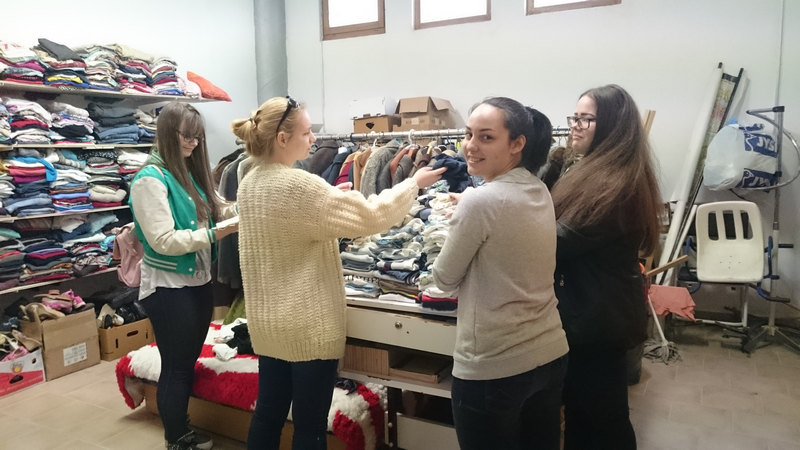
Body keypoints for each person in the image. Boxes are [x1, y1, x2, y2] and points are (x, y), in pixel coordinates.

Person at [232, 96, 445, 450]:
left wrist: (329, 196)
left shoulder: (249, 183)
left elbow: (290, 227)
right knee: (310, 427)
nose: (314, 138)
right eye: (306, 132)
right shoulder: (300, 186)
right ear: (282, 139)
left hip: (268, 325)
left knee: (267, 415)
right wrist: (413, 184)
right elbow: (371, 217)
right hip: (307, 326)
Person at [431, 97, 569, 450]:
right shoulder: (538, 189)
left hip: (494, 366)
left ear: (517, 144)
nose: (471, 146)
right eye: (468, 134)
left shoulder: (480, 201)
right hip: (549, 353)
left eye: (486, 137)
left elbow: (443, 280)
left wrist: (461, 223)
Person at [550, 84, 662, 450]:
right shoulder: (594, 171)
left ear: (613, 126)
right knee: (585, 416)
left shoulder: (617, 184)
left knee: (602, 421)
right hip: (591, 313)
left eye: (587, 119)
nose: (575, 125)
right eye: (575, 117)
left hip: (598, 320)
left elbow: (560, 240)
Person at [129, 102, 239, 450]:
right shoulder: (150, 180)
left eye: (197, 137)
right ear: (167, 133)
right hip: (168, 287)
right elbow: (162, 241)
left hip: (196, 281)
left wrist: (252, 204)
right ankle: (176, 437)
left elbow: (219, 207)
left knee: (186, 361)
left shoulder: (187, 173)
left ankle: (181, 429)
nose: (193, 143)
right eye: (186, 136)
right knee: (177, 366)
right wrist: (218, 233)